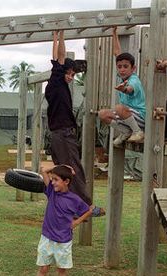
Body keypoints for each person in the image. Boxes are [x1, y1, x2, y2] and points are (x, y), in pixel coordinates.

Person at [45, 30, 103, 215]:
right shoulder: (55, 82)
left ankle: (67, 207)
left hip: (60, 135)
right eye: (68, 73)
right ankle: (86, 207)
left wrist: (55, 38)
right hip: (63, 134)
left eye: (72, 74)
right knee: (74, 171)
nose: (70, 77)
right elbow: (59, 57)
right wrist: (61, 36)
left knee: (63, 173)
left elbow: (56, 58)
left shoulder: (58, 85)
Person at [27, 165, 93, 276]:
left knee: (62, 269)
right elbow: (43, 170)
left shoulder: (74, 199)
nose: (52, 182)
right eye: (52, 179)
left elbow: (87, 211)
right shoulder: (51, 192)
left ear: (66, 181)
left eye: (56, 180)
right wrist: (62, 167)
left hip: (64, 241)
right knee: (43, 268)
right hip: (47, 238)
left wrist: (75, 223)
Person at [98, 27, 146, 146]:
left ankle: (138, 132)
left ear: (133, 68)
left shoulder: (134, 79)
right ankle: (126, 132)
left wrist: (124, 89)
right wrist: (114, 33)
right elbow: (117, 53)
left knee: (119, 107)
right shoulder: (122, 77)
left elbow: (130, 89)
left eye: (125, 66)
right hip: (127, 116)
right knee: (102, 113)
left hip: (140, 117)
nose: (122, 69)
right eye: (119, 67)